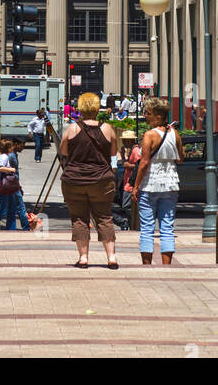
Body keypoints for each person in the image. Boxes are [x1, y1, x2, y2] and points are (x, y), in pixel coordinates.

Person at [59, 92, 118, 269]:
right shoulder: (107, 128)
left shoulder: (72, 128)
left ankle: (84, 258)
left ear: (80, 109)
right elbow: (114, 152)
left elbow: (64, 151)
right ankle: (111, 257)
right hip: (102, 181)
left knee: (79, 218)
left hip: (74, 180)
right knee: (105, 217)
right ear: (97, 108)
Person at [131, 98, 184, 265]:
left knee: (147, 228)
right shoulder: (174, 133)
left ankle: (147, 265)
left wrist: (135, 186)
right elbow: (181, 159)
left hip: (149, 184)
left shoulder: (149, 135)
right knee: (167, 227)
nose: (146, 116)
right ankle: (166, 265)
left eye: (149, 113)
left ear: (159, 116)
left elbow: (144, 162)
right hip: (170, 183)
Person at [119, 132, 141, 227]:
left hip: (130, 184)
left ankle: (131, 223)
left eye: (125, 140)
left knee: (126, 206)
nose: (123, 142)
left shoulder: (135, 151)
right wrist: (123, 156)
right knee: (127, 206)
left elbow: (139, 165)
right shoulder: (131, 150)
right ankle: (131, 223)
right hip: (127, 183)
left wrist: (129, 165)